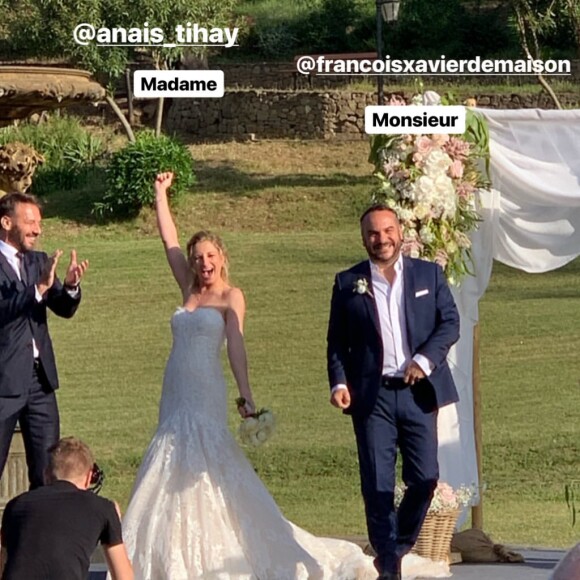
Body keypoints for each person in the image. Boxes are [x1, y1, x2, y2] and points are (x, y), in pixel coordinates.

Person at [118, 172, 378, 579]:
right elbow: (168, 240)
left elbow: (236, 343)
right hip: (175, 387)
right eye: (198, 257)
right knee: (168, 453)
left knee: (205, 456)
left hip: (205, 385)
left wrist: (245, 394)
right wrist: (159, 194)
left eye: (210, 256)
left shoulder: (230, 296)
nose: (204, 264)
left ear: (221, 257)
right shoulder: (187, 286)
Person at [327, 204, 460, 580]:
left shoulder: (428, 275)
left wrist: (425, 359)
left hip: (419, 392)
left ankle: (395, 548)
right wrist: (339, 383)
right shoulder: (347, 282)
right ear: (363, 238)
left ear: (399, 233)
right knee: (377, 484)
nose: (381, 239)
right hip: (373, 398)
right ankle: (388, 562)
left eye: (387, 231)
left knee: (425, 478)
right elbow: (337, 342)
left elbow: (449, 323)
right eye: (372, 233)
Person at [0, 192, 88, 489]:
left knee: (49, 471)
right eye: (30, 222)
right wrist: (37, 289)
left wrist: (72, 286)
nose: (37, 230)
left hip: (40, 384)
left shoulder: (39, 260)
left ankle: (42, 534)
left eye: (39, 223)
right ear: (6, 221)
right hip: (4, 382)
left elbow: (64, 308)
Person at [0, 436, 133, 580]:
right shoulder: (103, 508)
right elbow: (123, 576)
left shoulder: (15, 505)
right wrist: (114, 523)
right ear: (89, 477)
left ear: (46, 474)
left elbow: (3, 564)